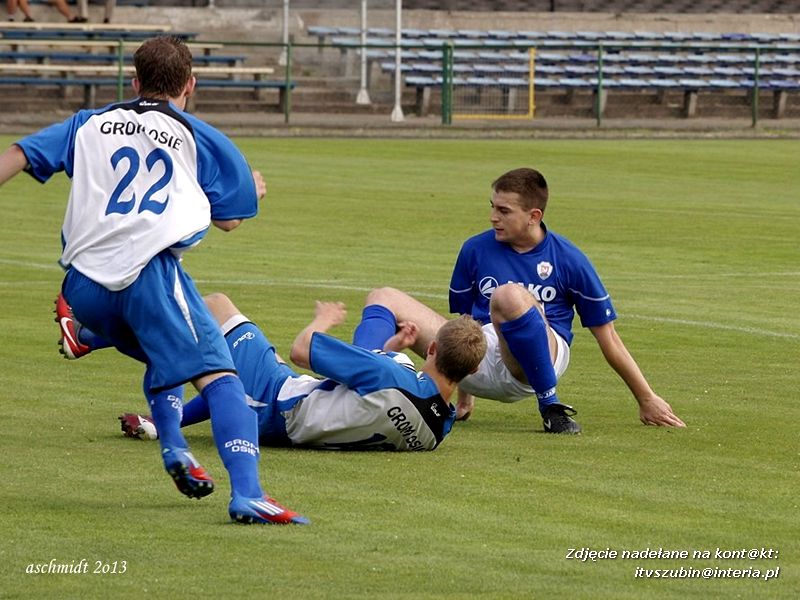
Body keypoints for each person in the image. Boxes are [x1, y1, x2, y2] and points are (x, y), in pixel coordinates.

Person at [0, 36, 307, 525]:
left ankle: (174, 446)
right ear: (190, 84)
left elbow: (18, 153)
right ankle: (249, 492)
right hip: (148, 274)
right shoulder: (198, 135)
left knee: (164, 358)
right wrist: (256, 189)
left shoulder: (88, 124)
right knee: (222, 377)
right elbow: (231, 219)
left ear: (134, 81)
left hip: (82, 287)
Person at [351, 167, 686, 434]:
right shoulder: (475, 249)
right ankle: (356, 380)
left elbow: (608, 337)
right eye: (492, 207)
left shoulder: (568, 258)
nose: (493, 217)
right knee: (383, 296)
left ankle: (550, 407)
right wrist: (458, 388)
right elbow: (464, 324)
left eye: (504, 210)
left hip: (538, 360)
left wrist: (646, 398)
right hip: (479, 355)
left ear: (533, 215)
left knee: (509, 296)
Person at [66, 293, 486, 450]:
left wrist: (323, 320)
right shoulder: (440, 428)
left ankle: (89, 336)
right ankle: (163, 423)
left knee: (213, 309)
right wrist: (392, 350)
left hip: (279, 406)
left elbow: (302, 350)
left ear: (430, 347)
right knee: (230, 373)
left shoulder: (389, 375)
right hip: (298, 412)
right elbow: (379, 397)